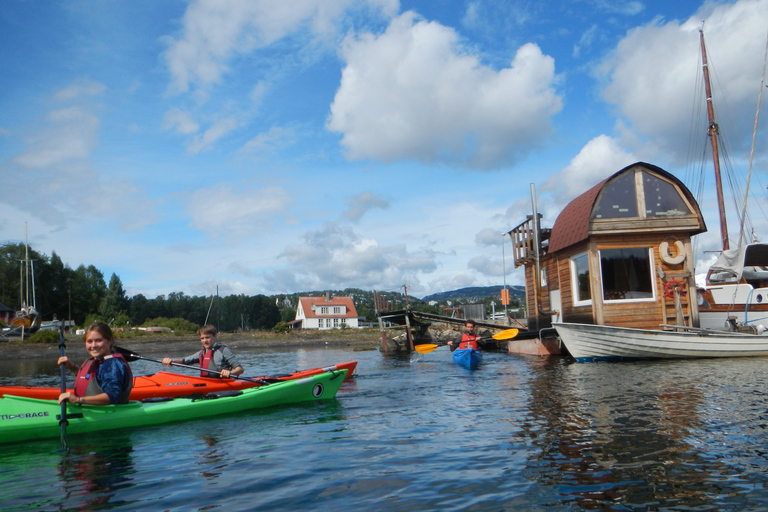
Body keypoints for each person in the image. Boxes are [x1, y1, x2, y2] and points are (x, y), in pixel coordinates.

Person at [58, 322, 134, 406]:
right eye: (89, 341)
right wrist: (71, 366)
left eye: (98, 340)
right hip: (89, 410)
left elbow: (112, 396)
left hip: (107, 414)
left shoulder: (112, 365)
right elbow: (91, 379)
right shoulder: (95, 361)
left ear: (110, 341)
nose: (93, 345)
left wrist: (79, 400)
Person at [162, 325, 244, 378]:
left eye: (207, 337)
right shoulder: (202, 353)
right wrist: (171, 361)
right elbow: (184, 361)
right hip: (206, 384)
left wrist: (230, 372)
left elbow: (240, 369)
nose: (205, 341)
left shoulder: (223, 350)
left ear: (215, 336)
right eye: (202, 338)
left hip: (223, 384)